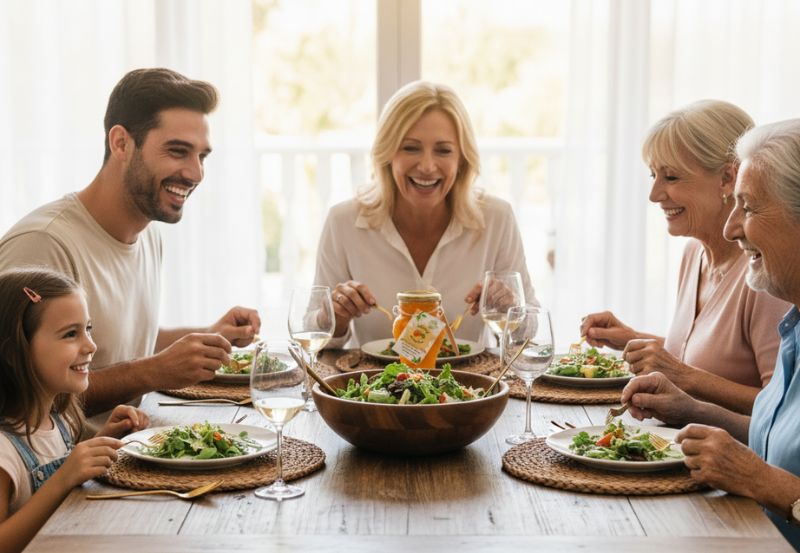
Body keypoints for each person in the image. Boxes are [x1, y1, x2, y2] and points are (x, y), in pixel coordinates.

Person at [0, 68, 261, 427]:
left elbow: (123, 345)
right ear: (121, 143)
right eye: (177, 151)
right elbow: (14, 396)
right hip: (67, 476)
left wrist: (208, 335)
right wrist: (152, 373)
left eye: (202, 156)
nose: (195, 173)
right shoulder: (44, 245)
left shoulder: (148, 232)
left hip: (130, 448)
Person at [621, 118, 800, 549]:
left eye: (750, 208)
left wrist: (764, 483)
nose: (730, 227)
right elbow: (772, 434)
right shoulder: (794, 325)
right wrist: (690, 408)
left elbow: (772, 474)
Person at [580, 100, 789, 414]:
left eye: (671, 178)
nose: (654, 195)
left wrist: (682, 376)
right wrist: (633, 338)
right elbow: (707, 358)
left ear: (728, 178)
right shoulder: (695, 254)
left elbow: (782, 410)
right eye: (653, 176)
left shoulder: (762, 273)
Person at [313, 80, 537, 348]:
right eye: (410, 148)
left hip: (471, 387)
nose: (427, 166)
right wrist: (333, 317)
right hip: (371, 387)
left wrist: (511, 308)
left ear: (462, 158)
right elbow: (312, 332)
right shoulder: (343, 222)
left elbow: (529, 330)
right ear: (388, 153)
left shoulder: (497, 218)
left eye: (443, 150)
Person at [0, 268, 150, 553]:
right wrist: (62, 480)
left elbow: (61, 464)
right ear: (13, 352)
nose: (90, 345)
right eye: (71, 334)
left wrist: (100, 442)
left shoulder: (59, 419)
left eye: (88, 329)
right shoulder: (4, 451)